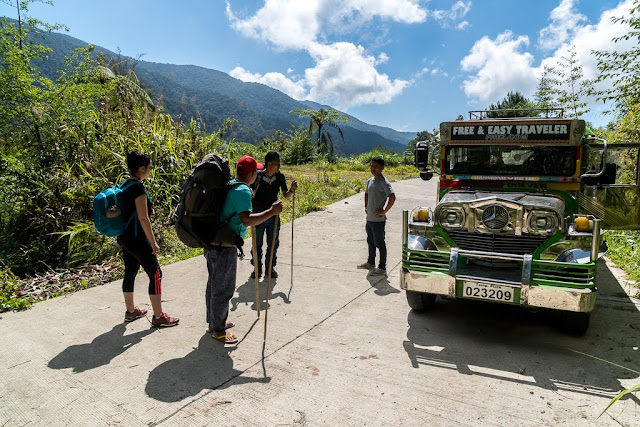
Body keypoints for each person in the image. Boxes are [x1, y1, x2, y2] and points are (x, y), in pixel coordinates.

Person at [205, 155, 283, 344]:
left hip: (213, 241)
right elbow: (247, 220)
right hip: (224, 246)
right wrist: (271, 212)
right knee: (223, 288)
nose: (257, 173)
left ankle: (215, 322)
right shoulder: (242, 191)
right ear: (251, 173)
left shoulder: (230, 184)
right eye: (256, 170)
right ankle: (219, 329)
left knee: (214, 285)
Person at [117, 151, 179, 327]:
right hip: (137, 239)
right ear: (142, 168)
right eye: (149, 167)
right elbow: (143, 218)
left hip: (124, 237)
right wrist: (153, 242)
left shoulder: (125, 184)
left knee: (130, 271)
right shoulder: (138, 188)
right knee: (156, 273)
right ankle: (159, 316)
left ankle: (130, 311)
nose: (150, 170)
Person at [250, 151, 297, 279]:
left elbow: (285, 194)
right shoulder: (257, 177)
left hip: (274, 215)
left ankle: (270, 268)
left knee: (273, 243)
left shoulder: (280, 177)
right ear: (269, 164)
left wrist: (291, 190)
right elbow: (250, 193)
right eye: (277, 163)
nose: (279, 165)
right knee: (256, 243)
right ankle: (257, 268)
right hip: (258, 215)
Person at [357, 156, 396, 277]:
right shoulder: (370, 180)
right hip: (369, 218)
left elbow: (392, 197)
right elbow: (367, 193)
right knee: (370, 241)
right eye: (372, 166)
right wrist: (366, 206)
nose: (373, 169)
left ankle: (382, 267)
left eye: (376, 167)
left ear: (382, 168)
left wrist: (384, 211)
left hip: (378, 220)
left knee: (380, 243)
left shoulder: (384, 182)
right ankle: (370, 262)